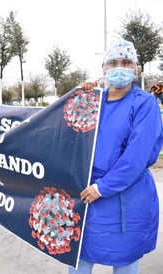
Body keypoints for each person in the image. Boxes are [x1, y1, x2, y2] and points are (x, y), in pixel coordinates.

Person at [70, 39, 162, 274]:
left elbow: (136, 157)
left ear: (135, 67)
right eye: (112, 62)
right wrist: (79, 95)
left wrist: (102, 188)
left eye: (126, 62)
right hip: (86, 195)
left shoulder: (145, 104)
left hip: (127, 198)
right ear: (103, 69)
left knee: (125, 261)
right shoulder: (94, 101)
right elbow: (67, 131)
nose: (119, 66)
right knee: (79, 257)